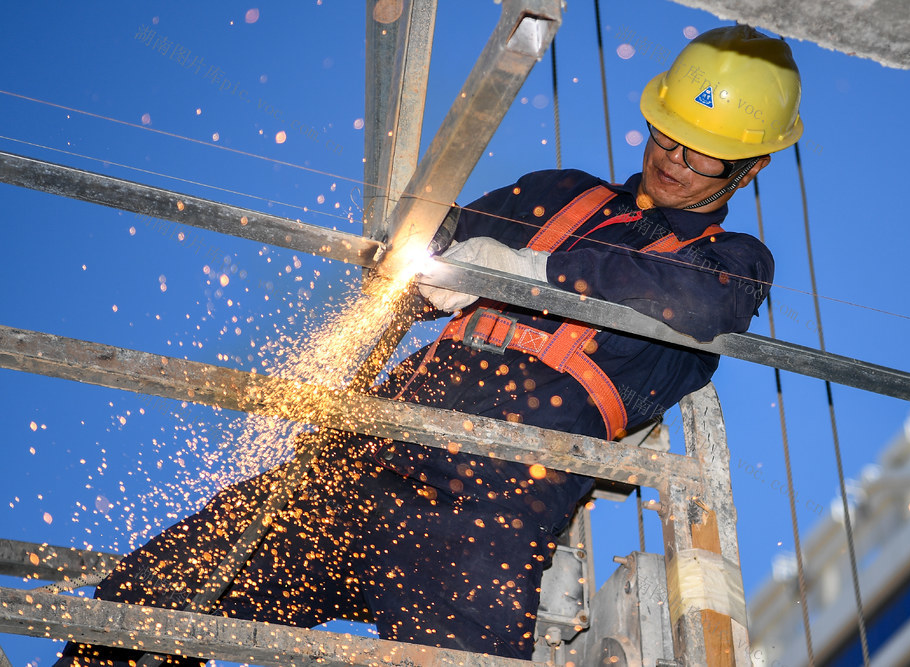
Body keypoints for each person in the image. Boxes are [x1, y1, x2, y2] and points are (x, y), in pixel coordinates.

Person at [55, 25, 802, 665]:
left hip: (488, 502)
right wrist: (423, 258)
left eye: (702, 154)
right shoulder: (556, 194)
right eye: (668, 134)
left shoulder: (731, 263)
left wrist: (530, 270)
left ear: (753, 167)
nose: (672, 158)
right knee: (153, 594)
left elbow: (692, 298)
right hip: (373, 447)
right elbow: (427, 248)